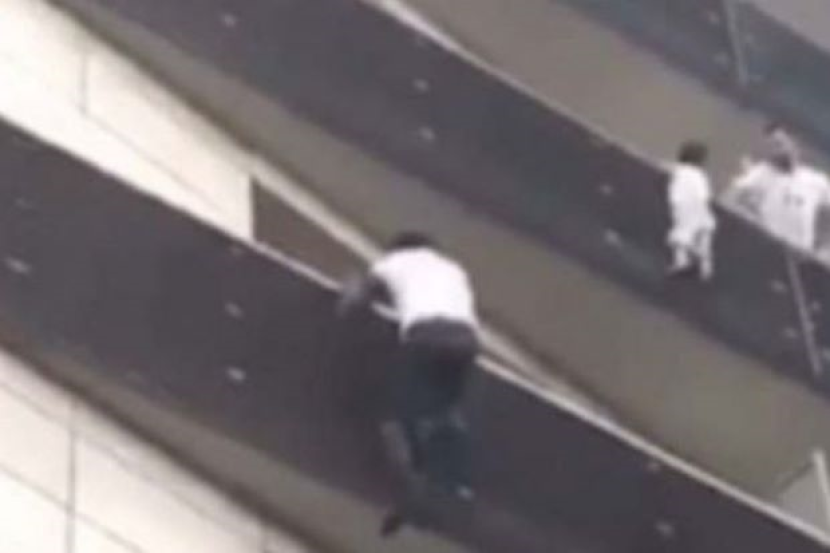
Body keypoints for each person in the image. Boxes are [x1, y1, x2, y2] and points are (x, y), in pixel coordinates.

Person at [338, 231, 479, 537]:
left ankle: (411, 494)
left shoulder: (394, 262)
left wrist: (348, 300)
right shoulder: (454, 269)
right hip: (466, 341)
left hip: (426, 337)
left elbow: (359, 296)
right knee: (439, 411)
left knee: (393, 418)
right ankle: (450, 472)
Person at [732, 151, 830, 253]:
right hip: (762, 244)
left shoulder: (817, 181)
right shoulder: (763, 173)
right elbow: (735, 196)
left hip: (798, 251)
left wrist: (821, 244)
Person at [665, 141, 717, 280]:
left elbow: (667, 168)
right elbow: (705, 196)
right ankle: (706, 269)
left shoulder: (681, 170)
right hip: (701, 209)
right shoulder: (701, 176)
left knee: (680, 237)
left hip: (685, 207)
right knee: (704, 234)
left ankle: (683, 261)